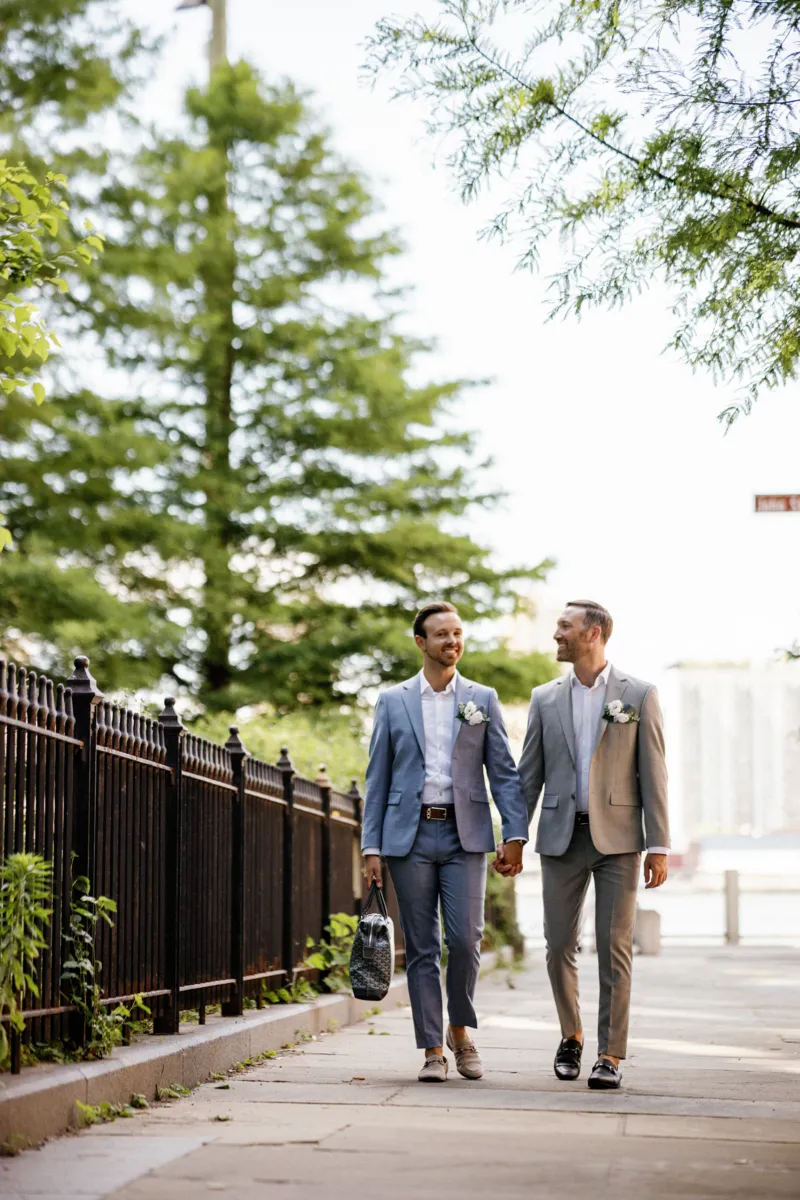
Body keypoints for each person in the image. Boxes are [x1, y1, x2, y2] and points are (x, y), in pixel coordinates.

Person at [362, 601, 529, 1082]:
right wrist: (370, 847)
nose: (451, 642)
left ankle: (461, 1030)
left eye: (457, 634)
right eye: (441, 635)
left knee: (465, 939)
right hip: (407, 837)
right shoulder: (393, 702)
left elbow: (503, 771)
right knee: (421, 947)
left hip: (466, 833)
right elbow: (378, 778)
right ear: (421, 642)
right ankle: (433, 1049)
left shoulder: (482, 698)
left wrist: (514, 834)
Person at [512, 600, 669, 1090]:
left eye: (565, 627)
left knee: (614, 947)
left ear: (594, 633)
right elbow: (528, 775)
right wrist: (514, 836)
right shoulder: (545, 697)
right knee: (558, 944)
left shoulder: (638, 695)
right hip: (560, 837)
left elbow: (654, 774)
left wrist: (659, 844)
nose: (556, 634)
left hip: (619, 840)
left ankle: (610, 1054)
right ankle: (571, 1035)